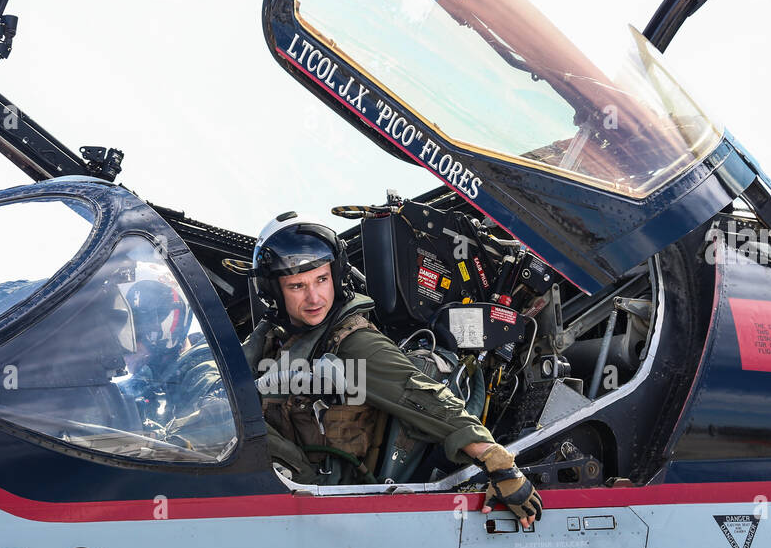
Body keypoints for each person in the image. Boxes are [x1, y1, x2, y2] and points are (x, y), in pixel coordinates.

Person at [242, 211, 543, 527]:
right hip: (285, 497)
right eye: (297, 286)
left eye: (321, 279)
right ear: (274, 292)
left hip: (326, 505)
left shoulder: (352, 342)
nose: (314, 297)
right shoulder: (275, 336)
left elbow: (428, 398)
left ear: (336, 274)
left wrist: (500, 465)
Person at [124, 278, 232, 453]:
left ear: (160, 336)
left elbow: (221, 418)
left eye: (131, 338)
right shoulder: (154, 373)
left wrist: (153, 446)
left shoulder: (203, 371)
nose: (123, 350)